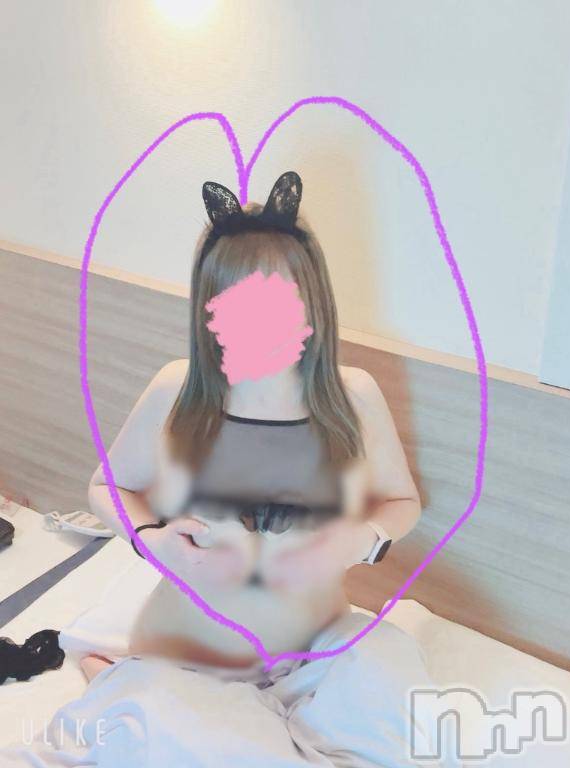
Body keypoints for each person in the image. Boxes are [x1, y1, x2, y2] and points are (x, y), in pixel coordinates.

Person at [79, 171, 458, 766]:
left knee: (397, 687)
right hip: (194, 655)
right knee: (211, 743)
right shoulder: (178, 390)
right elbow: (107, 485)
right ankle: (116, 680)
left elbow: (401, 502)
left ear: (312, 301)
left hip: (314, 647)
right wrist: (153, 541)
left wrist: (362, 540)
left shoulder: (352, 397)